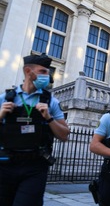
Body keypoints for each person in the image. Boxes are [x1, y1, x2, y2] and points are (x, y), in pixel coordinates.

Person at [0, 53, 70, 206]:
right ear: (27, 71)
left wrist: (49, 118)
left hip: (35, 166)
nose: (48, 75)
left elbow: (65, 135)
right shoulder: (5, 98)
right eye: (43, 71)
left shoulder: (51, 101)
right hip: (5, 164)